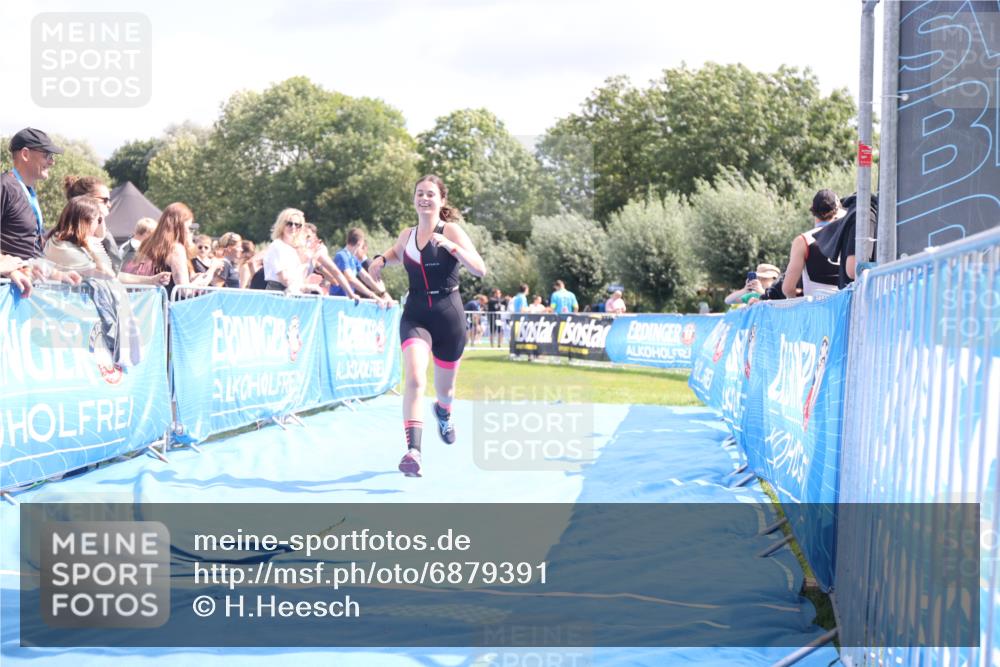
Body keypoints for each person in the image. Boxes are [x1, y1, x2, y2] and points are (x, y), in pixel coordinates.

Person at [368, 175, 486, 476]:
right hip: (416, 313)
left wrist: (451, 246)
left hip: (449, 315)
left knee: (445, 391)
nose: (424, 198)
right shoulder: (407, 234)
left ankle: (444, 411)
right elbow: (398, 253)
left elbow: (480, 269)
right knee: (416, 379)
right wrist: (381, 259)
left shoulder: (452, 230)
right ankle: (413, 452)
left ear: (441, 200)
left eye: (430, 194)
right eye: (419, 193)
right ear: (414, 199)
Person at [1, 128, 81, 286]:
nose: (52, 162)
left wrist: (56, 274)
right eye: (47, 155)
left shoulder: (28, 191)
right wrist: (7, 266)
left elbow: (27, 250)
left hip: (23, 295)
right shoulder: (4, 186)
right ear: (25, 154)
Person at [122, 202, 219, 296]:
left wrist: (193, 277)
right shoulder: (175, 248)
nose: (189, 231)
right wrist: (211, 270)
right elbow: (185, 291)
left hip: (148, 304)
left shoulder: (148, 243)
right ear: (180, 225)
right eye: (189, 227)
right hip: (168, 307)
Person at [782, 190, 843, 298]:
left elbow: (788, 288)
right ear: (837, 211)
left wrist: (797, 307)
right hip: (845, 308)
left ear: (813, 211)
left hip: (816, 310)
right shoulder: (847, 238)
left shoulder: (803, 241)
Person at [263, 208, 309, 292]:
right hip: (277, 291)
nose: (293, 227)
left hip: (293, 291)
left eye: (297, 224)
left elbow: (298, 277)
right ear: (281, 225)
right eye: (289, 223)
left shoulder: (293, 249)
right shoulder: (277, 246)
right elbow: (284, 279)